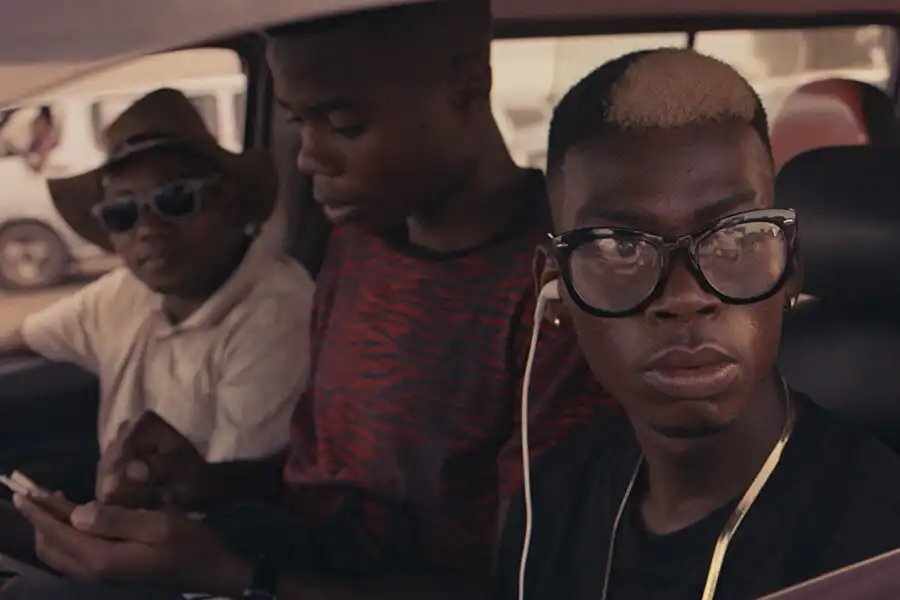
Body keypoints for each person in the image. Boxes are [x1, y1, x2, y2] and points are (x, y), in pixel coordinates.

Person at [2, 2, 613, 599]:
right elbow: (326, 483)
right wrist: (207, 484)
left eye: (345, 125)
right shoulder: (359, 242)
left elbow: (526, 582)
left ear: (465, 88)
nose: (308, 157)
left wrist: (239, 578)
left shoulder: (559, 295)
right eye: (300, 124)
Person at [492, 48, 900, 600]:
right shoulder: (553, 499)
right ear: (558, 284)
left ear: (789, 267)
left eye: (734, 238)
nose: (684, 298)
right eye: (621, 247)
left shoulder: (879, 540)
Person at [0, 88, 314, 497]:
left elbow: (233, 507)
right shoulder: (124, 293)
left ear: (229, 203)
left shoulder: (276, 318)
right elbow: (26, 338)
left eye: (174, 199)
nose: (147, 228)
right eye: (122, 213)